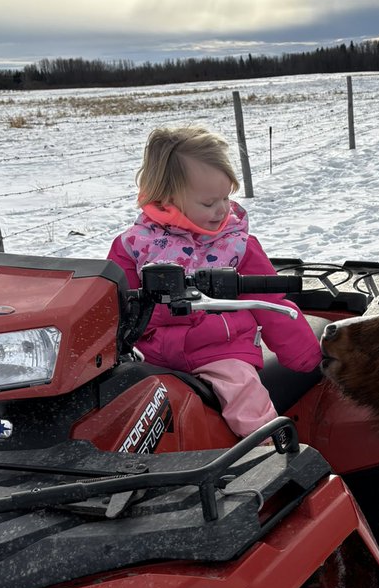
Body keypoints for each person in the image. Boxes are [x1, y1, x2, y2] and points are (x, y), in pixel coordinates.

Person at [107, 125, 321, 438]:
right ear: (167, 198)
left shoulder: (237, 245)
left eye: (226, 197)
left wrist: (306, 357)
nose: (222, 210)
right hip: (151, 353)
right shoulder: (133, 245)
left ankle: (264, 452)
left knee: (243, 394)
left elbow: (272, 302)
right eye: (209, 203)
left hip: (220, 350)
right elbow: (114, 304)